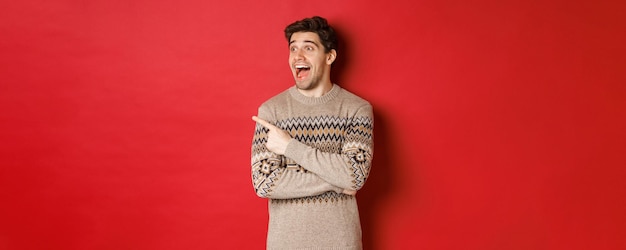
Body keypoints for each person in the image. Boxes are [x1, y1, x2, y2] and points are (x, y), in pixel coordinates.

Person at [250, 16, 374, 250]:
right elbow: (265, 183)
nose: (298, 56)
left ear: (329, 56)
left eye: (308, 48)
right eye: (293, 48)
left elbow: (355, 176)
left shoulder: (356, 109)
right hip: (285, 244)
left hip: (341, 243)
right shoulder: (271, 111)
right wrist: (337, 183)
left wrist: (289, 147)